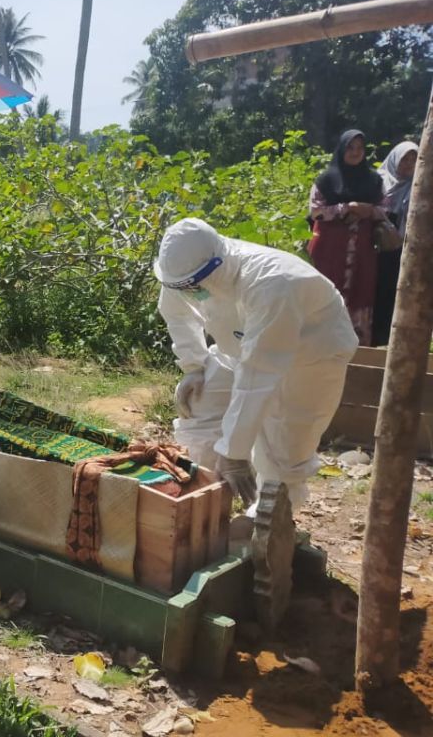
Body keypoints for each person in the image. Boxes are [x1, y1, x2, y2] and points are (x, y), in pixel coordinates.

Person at [156, 218, 359, 517]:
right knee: (202, 401)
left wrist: (234, 453)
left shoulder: (273, 282)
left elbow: (258, 374)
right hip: (238, 345)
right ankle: (201, 498)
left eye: (194, 283)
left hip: (311, 357)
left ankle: (265, 529)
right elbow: (176, 311)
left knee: (283, 452)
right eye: (183, 286)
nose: (190, 291)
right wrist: (194, 365)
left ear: (218, 261)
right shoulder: (184, 272)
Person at [307, 130, 386, 345]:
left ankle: (357, 352)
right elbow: (316, 211)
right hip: (330, 249)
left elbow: (385, 211)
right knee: (326, 293)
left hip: (363, 249)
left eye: (360, 148)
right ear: (341, 149)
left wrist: (367, 210)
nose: (355, 152)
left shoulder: (374, 181)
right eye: (350, 147)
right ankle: (321, 347)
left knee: (362, 294)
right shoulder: (326, 180)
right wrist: (344, 208)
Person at [373, 141, 420, 346]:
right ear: (395, 159)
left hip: (405, 250)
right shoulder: (378, 182)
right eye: (405, 158)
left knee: (396, 293)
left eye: (413, 159)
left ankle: (390, 340)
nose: (409, 164)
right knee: (375, 291)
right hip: (375, 249)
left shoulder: (420, 186)